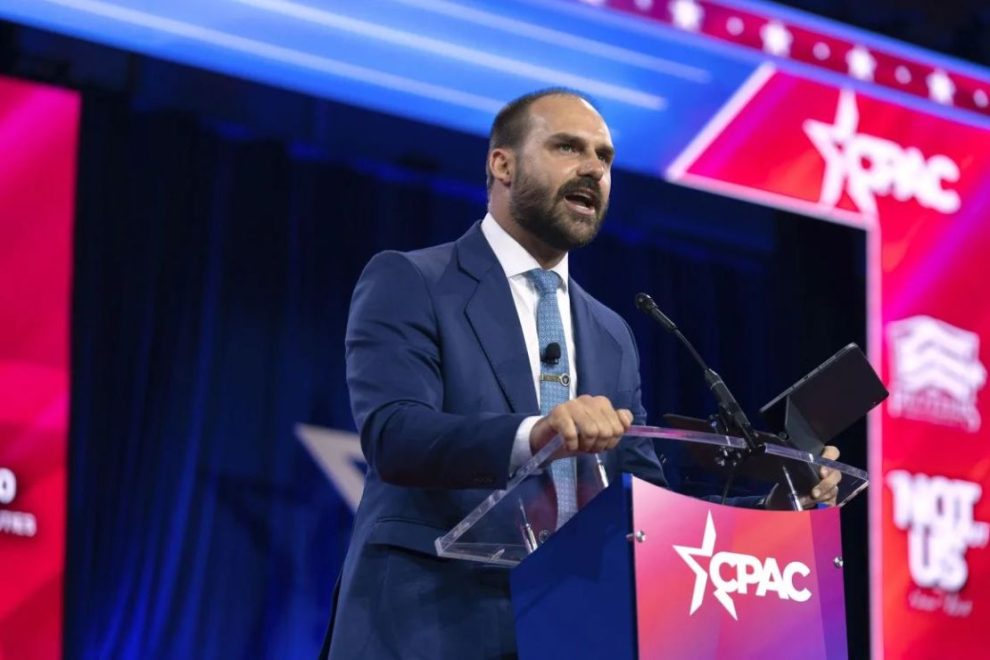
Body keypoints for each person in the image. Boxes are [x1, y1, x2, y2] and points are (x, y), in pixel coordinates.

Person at [320, 89, 841, 659]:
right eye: (568, 147)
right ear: (503, 163)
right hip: (427, 626)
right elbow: (395, 435)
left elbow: (643, 503)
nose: (593, 168)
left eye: (605, 157)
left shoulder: (611, 331)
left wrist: (769, 511)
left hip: (569, 631)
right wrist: (535, 434)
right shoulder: (413, 280)